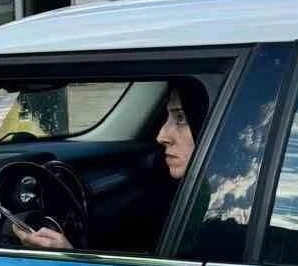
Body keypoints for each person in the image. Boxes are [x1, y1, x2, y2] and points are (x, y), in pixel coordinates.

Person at [16, 78, 209, 252]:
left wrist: (69, 259)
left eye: (181, 119)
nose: (161, 136)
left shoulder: (218, 212)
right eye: (167, 118)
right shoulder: (198, 192)